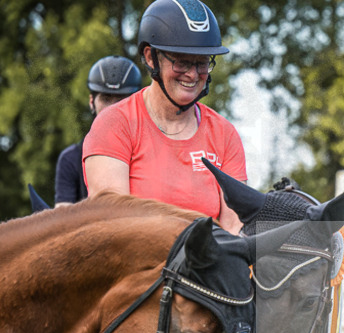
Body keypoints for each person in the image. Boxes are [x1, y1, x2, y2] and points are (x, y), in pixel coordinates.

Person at [83, 0, 245, 233]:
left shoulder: (224, 134)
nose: (192, 74)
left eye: (201, 64)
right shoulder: (113, 125)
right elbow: (114, 226)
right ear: (151, 57)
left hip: (211, 264)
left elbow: (233, 226)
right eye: (181, 62)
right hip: (139, 265)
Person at [54, 56, 142, 207]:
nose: (114, 109)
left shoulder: (151, 151)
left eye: (122, 100)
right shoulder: (70, 158)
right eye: (106, 99)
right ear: (91, 102)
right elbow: (63, 216)